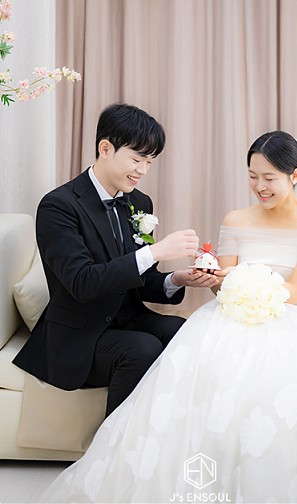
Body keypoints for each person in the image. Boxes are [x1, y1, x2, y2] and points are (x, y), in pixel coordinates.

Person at [41, 131, 297, 504]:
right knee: (195, 361)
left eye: (269, 178)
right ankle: (135, 456)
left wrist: (237, 281)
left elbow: (295, 292)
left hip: (291, 314)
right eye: (252, 176)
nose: (259, 186)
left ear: (295, 176)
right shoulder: (236, 219)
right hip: (231, 312)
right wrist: (212, 279)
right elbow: (221, 285)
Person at [13, 103, 218, 417]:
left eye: (149, 162)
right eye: (136, 159)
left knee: (185, 332)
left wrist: (177, 279)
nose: (143, 171)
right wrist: (154, 251)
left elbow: (142, 280)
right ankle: (114, 442)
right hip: (79, 335)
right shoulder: (58, 206)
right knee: (142, 349)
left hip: (128, 318)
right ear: (105, 148)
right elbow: (82, 283)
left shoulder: (139, 203)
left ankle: (171, 426)